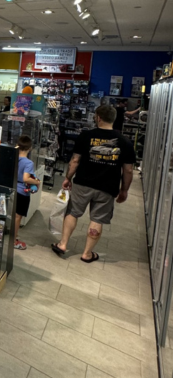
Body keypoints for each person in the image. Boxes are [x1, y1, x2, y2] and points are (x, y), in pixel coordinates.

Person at [51, 105, 136, 262]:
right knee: (97, 219)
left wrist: (68, 178)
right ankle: (87, 253)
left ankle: (63, 244)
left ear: (98, 117)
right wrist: (124, 190)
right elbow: (128, 170)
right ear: (114, 118)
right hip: (107, 187)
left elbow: (75, 160)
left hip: (83, 183)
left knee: (73, 212)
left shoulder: (85, 136)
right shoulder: (125, 142)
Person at [14, 135, 40, 250]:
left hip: (12, 189)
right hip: (22, 192)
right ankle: (14, 240)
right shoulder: (28, 163)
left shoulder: (13, 158)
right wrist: (37, 182)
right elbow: (26, 178)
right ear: (30, 148)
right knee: (18, 217)